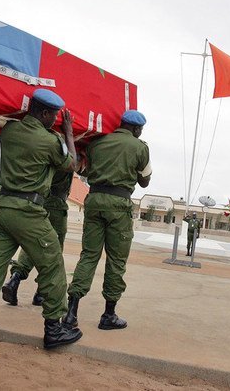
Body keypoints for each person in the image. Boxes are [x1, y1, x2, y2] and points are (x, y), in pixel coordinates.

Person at [0, 89, 81, 361]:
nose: (56, 120)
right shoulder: (49, 141)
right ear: (46, 113)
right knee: (53, 265)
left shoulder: (10, 131)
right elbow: (71, 163)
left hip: (1, 210)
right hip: (28, 212)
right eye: (55, 116)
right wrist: (69, 133)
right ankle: (54, 329)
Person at [63, 110, 151, 329]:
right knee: (116, 260)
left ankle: (71, 313)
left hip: (93, 200)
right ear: (137, 129)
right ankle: (108, 315)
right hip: (118, 205)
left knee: (89, 256)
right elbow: (145, 181)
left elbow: (87, 169)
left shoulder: (96, 144)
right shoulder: (140, 147)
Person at [2, 169, 75, 306]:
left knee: (32, 243)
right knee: (53, 250)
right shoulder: (65, 152)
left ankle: (15, 278)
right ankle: (41, 293)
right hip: (57, 205)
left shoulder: (45, 149)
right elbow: (78, 167)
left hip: (39, 200)